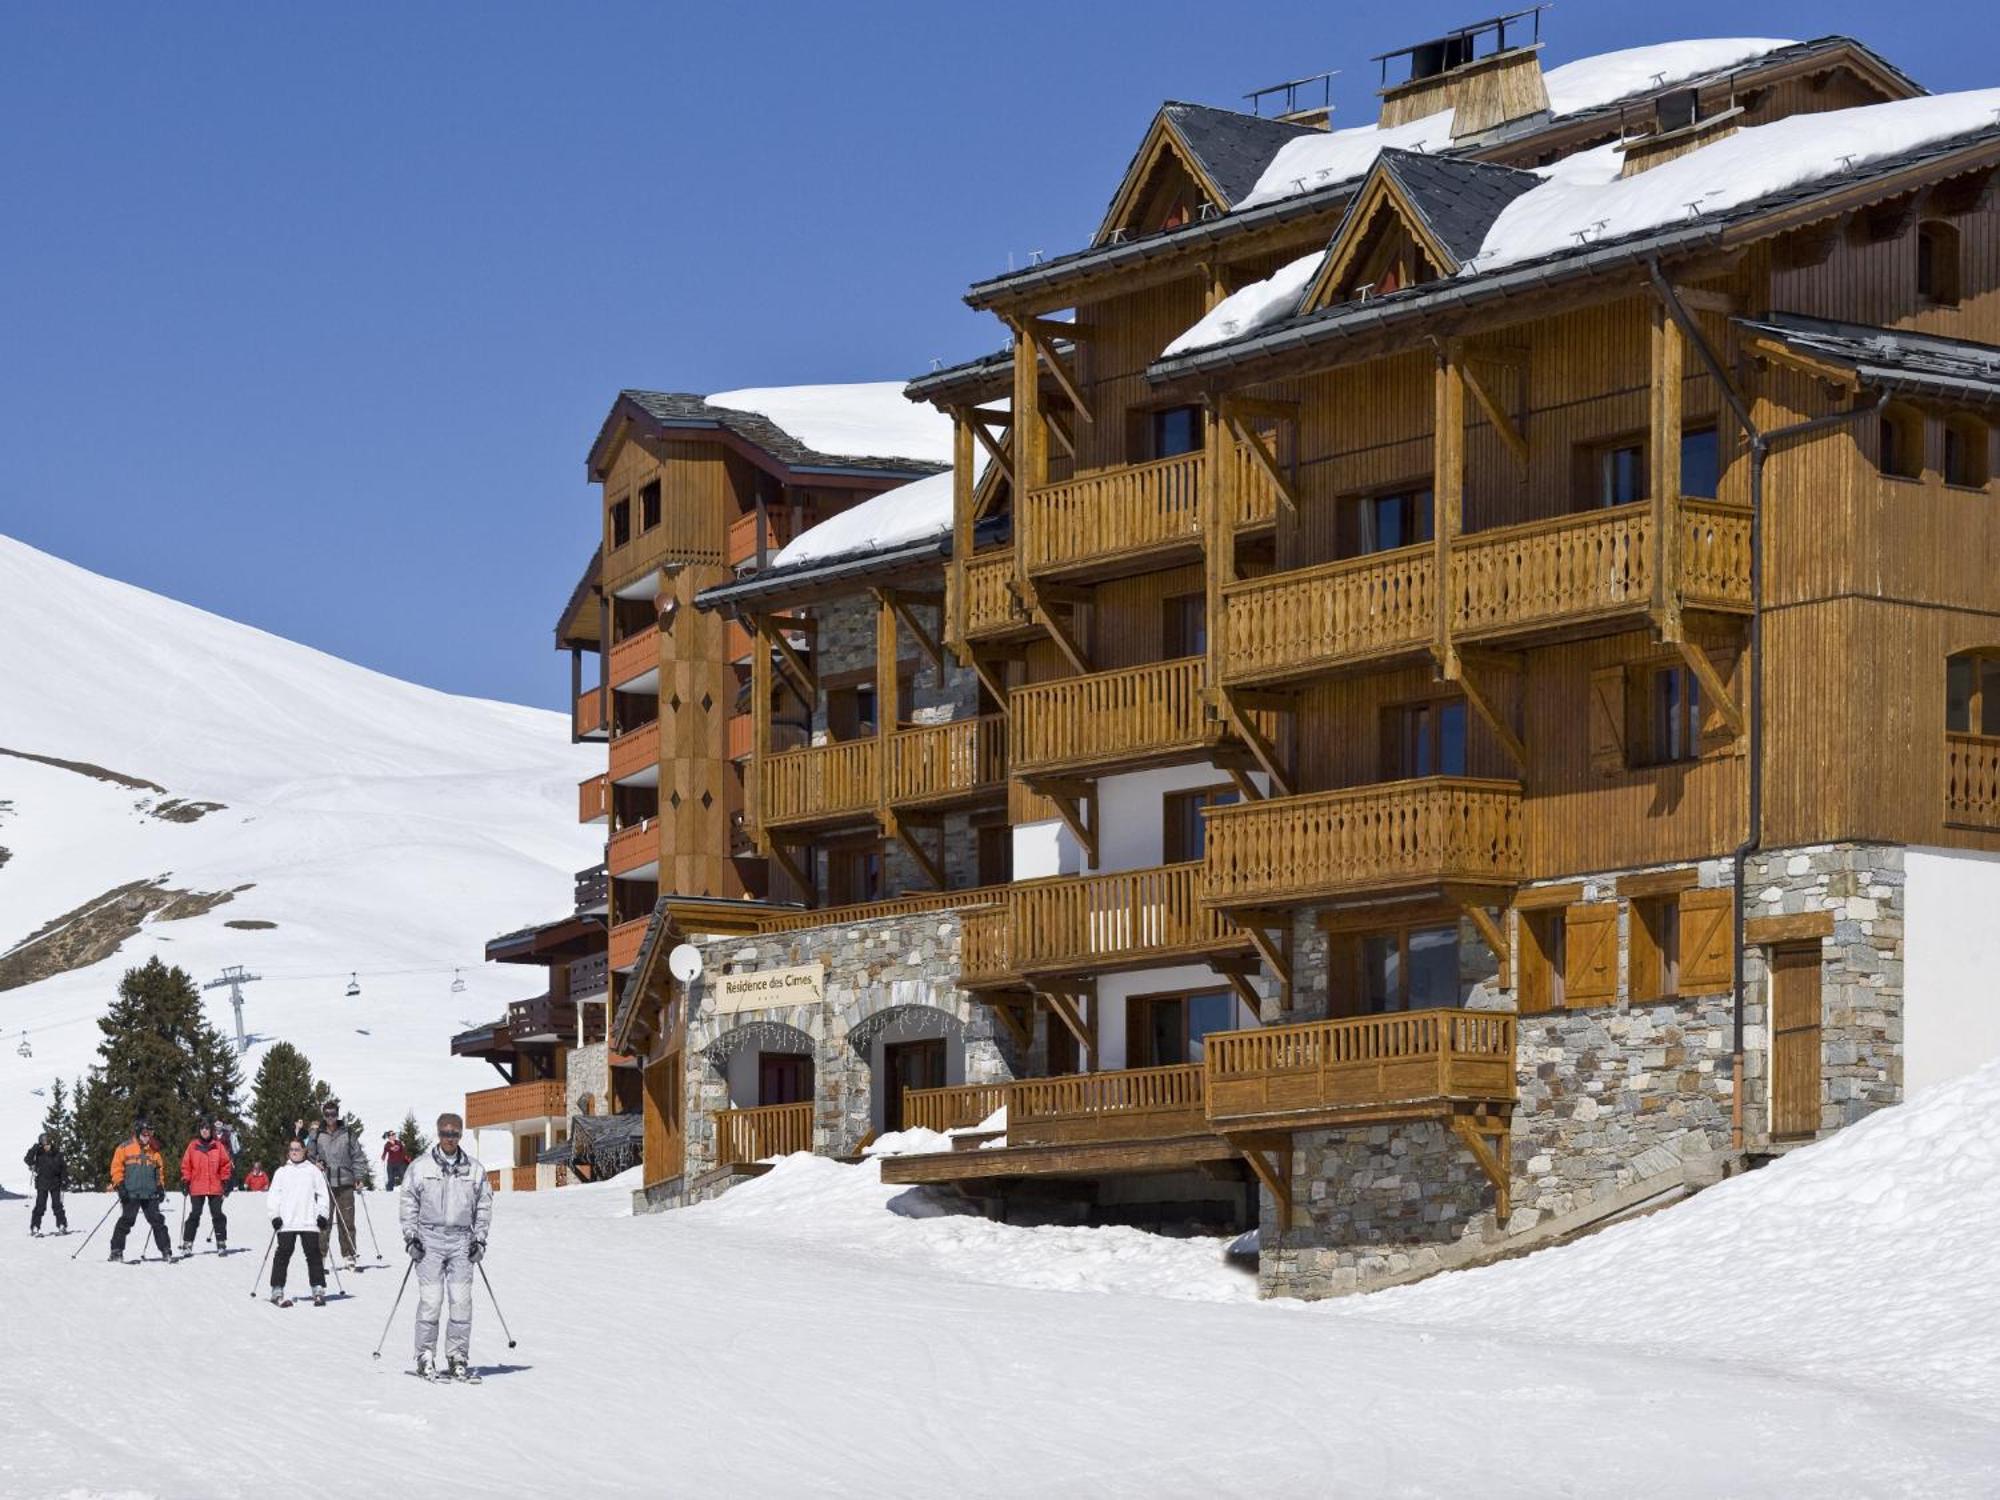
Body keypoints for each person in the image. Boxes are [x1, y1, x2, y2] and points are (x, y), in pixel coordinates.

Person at [399, 1111, 492, 1382]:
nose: (449, 1138)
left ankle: (458, 1357)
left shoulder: (474, 1169)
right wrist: (410, 1237)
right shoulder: (420, 1166)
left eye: (454, 1133)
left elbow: (484, 1206)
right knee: (431, 1301)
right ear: (438, 1134)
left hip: (462, 1240)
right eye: (444, 1133)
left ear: (460, 1134)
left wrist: (480, 1239)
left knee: (461, 1302)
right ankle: (425, 1356)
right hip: (430, 1240)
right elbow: (408, 1201)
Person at [266, 1139, 330, 1307]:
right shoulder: (281, 1172)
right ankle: (277, 1289)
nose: (294, 1152)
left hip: (309, 1220)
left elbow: (323, 1194)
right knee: (283, 1254)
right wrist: (274, 1216)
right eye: (291, 1149)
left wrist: (323, 1215)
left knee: (313, 1254)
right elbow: (273, 1196)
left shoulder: (313, 1171)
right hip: (287, 1222)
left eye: (297, 1149)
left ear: (304, 1151)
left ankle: (317, 1289)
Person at [307, 1098, 368, 1270]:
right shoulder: (317, 1134)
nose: (330, 1118)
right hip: (325, 1182)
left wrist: (359, 1176)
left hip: (345, 1182)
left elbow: (357, 1156)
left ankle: (349, 1254)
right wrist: (315, 1163)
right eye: (327, 1115)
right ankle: (321, 1256)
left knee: (347, 1220)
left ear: (337, 1115)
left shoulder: (347, 1133)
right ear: (323, 1116)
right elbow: (309, 1155)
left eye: (333, 1114)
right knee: (323, 1221)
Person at [108, 1121, 174, 1263]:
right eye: (144, 1133)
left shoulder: (154, 1151)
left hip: (150, 1194)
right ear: (138, 1132)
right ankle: (116, 1251)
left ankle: (166, 1250)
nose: (147, 1136)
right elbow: (116, 1168)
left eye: (150, 1134)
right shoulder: (124, 1147)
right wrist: (119, 1186)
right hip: (131, 1192)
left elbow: (159, 1171)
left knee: (157, 1221)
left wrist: (160, 1187)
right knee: (127, 1220)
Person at [179, 1121, 233, 1255]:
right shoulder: (193, 1146)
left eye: (207, 1128)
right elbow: (186, 1165)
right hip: (197, 1186)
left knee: (217, 1214)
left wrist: (226, 1180)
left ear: (211, 1130)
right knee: (195, 1214)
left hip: (215, 1186)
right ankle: (187, 1243)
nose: (204, 1131)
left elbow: (225, 1164)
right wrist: (186, 1180)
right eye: (202, 1128)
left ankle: (221, 1242)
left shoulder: (218, 1146)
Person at [25, 1131, 68, 1236]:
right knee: (40, 1206)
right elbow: (27, 1159)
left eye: (48, 1144)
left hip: (55, 1183)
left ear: (51, 1143)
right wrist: (35, 1147)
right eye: (44, 1145)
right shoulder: (38, 1153)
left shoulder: (57, 1153)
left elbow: (63, 1168)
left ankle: (62, 1225)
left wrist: (64, 1180)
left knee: (57, 1206)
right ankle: (35, 1227)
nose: (46, 1147)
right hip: (42, 1184)